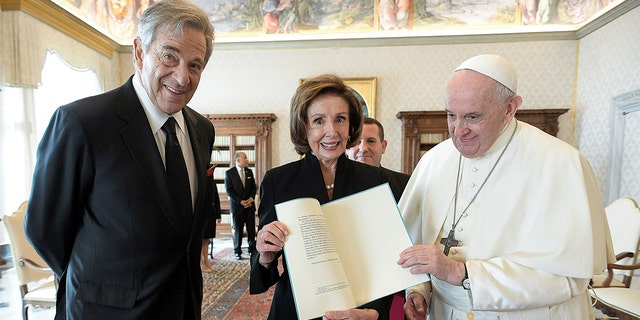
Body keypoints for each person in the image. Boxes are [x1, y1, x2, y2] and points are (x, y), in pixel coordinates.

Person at [24, 1, 216, 319]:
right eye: (170, 56)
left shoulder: (202, 130)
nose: (182, 77)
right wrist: (98, 284)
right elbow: (45, 229)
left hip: (184, 308)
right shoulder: (82, 123)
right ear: (140, 52)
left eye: (195, 65)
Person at [396, 54, 614, 319]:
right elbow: (413, 245)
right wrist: (419, 291)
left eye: (473, 117)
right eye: (451, 115)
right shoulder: (434, 160)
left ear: (510, 108)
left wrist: (460, 273)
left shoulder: (562, 164)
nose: (458, 131)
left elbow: (568, 279)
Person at [250, 74, 393, 320]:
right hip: (295, 310)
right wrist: (265, 254)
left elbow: (385, 262)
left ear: (351, 126)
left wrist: (375, 312)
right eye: (318, 121)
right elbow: (263, 274)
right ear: (304, 128)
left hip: (359, 312)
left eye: (340, 119)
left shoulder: (375, 181)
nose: (331, 132)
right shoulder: (278, 181)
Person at [346, 116, 410, 202]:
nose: (363, 148)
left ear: (383, 146)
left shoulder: (405, 184)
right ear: (347, 147)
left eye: (371, 141)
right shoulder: (332, 186)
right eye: (357, 142)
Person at [224, 151, 257, 260]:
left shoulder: (249, 172)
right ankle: (237, 251)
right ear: (238, 160)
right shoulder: (229, 173)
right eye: (245, 158)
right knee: (238, 230)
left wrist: (251, 199)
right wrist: (240, 201)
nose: (247, 159)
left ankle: (252, 249)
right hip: (237, 207)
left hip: (249, 206)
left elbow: (253, 187)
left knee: (251, 230)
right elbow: (229, 190)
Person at [202, 166, 223, 272]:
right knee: (201, 240)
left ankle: (206, 261)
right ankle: (202, 262)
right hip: (202, 215)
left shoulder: (212, 182)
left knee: (206, 239)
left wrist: (218, 215)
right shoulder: (200, 181)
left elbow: (216, 198)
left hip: (211, 214)